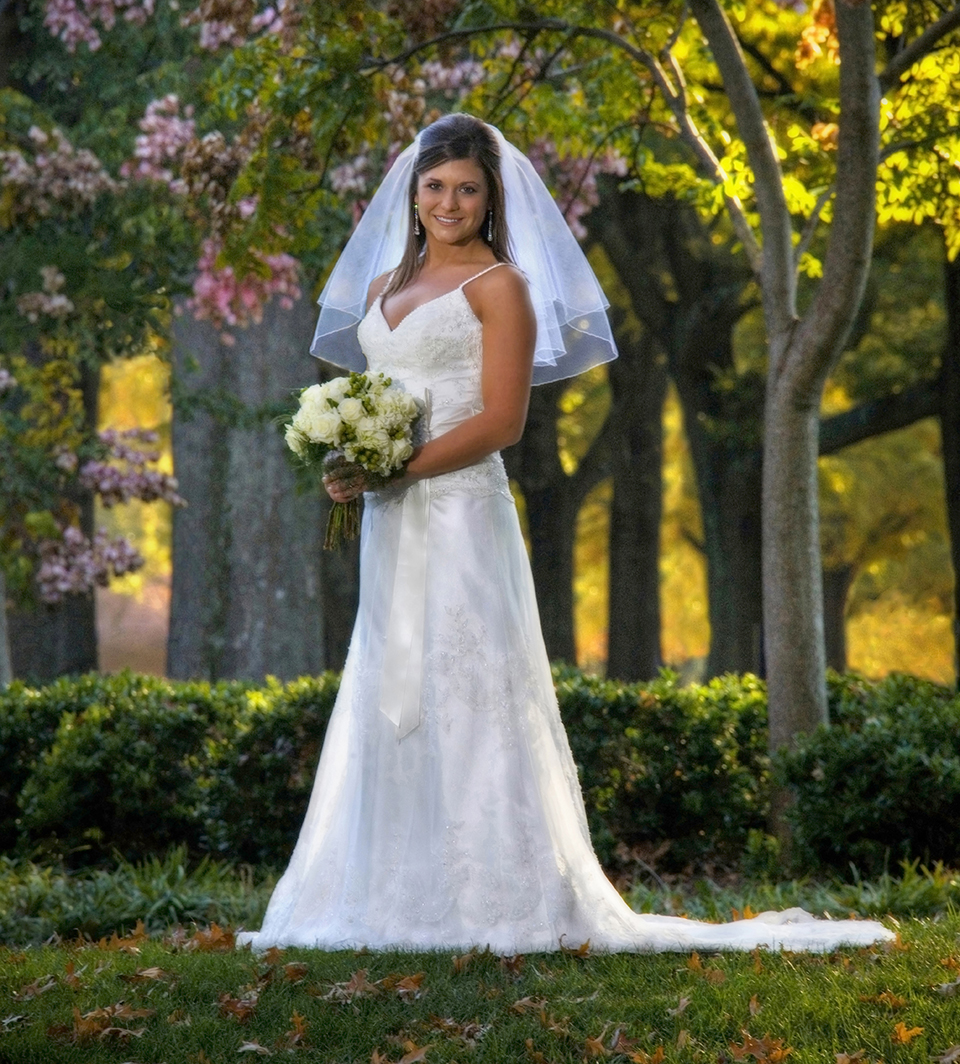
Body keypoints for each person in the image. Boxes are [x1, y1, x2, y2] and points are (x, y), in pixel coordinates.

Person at [238, 115, 892, 954]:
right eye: (435, 187)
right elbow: (379, 407)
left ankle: (496, 899)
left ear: (489, 197)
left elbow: (504, 421)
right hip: (392, 519)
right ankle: (387, 893)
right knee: (390, 676)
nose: (449, 202)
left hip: (462, 512)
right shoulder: (378, 294)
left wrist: (398, 470)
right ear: (411, 192)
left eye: (467, 188)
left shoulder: (498, 286)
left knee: (465, 678)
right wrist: (350, 466)